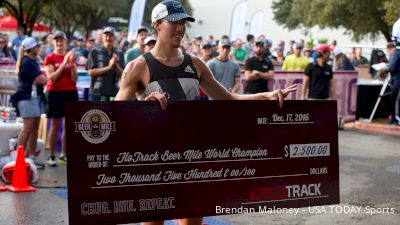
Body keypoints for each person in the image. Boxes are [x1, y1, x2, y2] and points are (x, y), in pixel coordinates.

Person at [115, 1, 296, 225]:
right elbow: (117, 116)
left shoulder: (196, 64)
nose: (180, 28)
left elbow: (228, 99)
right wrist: (143, 108)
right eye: (174, 22)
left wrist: (265, 97)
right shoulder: (138, 67)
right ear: (157, 25)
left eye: (183, 22)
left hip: (191, 160)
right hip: (154, 161)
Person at [10, 37, 47, 169]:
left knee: (33, 129)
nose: (39, 48)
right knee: (27, 129)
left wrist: (42, 79)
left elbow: (41, 79)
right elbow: (41, 79)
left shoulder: (31, 61)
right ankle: (19, 159)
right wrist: (43, 78)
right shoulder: (28, 62)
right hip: (27, 98)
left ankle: (30, 158)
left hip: (33, 98)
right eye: (37, 46)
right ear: (31, 49)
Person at [43, 31, 78, 166]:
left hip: (70, 92)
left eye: (61, 40)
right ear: (53, 42)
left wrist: (73, 65)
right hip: (55, 93)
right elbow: (52, 78)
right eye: (56, 41)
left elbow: (74, 79)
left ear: (65, 42)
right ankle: (52, 155)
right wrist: (64, 63)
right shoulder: (50, 58)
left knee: (68, 124)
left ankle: (64, 154)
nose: (59, 43)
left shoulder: (71, 57)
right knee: (56, 124)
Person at [87, 27, 125, 101]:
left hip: (114, 92)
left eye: (110, 36)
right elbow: (91, 72)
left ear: (114, 38)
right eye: (106, 36)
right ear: (102, 37)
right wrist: (109, 67)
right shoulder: (94, 51)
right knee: (97, 112)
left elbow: (124, 75)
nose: (108, 38)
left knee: (114, 113)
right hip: (97, 93)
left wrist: (116, 65)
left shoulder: (119, 53)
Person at [382, 41, 400, 125]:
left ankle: (394, 120)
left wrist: (384, 68)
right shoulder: (398, 53)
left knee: (393, 100)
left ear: (389, 49)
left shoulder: (395, 55)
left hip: (396, 80)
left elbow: (392, 68)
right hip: (397, 79)